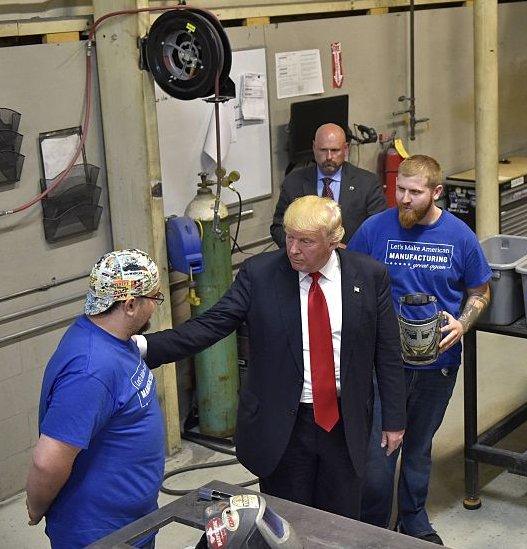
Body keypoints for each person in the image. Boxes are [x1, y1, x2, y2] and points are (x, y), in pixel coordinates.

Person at [138, 195, 406, 519]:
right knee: (285, 522)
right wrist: (145, 347)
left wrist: (393, 419)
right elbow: (211, 325)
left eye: (305, 241)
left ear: (334, 240)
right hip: (284, 427)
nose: (293, 249)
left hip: (343, 423)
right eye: (290, 237)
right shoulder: (260, 274)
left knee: (339, 523)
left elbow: (388, 352)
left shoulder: (369, 276)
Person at [349, 154, 492, 544]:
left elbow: (480, 291)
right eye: (400, 190)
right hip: (384, 366)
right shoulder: (373, 230)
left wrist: (462, 323)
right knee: (380, 454)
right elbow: (349, 280)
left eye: (415, 192)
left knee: (418, 446)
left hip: (438, 364)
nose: (405, 199)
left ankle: (412, 520)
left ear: (436, 192)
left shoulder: (460, 236)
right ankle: (372, 528)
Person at [26, 249, 165, 548]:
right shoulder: (90, 369)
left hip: (132, 525)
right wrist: (36, 508)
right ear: (129, 305)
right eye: (154, 299)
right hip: (98, 535)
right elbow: (46, 462)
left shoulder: (115, 340)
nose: (155, 307)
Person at [270, 123, 386, 246]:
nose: (329, 157)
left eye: (335, 150)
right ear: (314, 147)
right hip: (306, 260)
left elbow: (379, 229)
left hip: (351, 260)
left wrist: (350, 253)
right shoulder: (294, 182)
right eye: (323, 150)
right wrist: (303, 247)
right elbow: (278, 227)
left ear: (346, 149)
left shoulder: (367, 183)